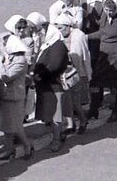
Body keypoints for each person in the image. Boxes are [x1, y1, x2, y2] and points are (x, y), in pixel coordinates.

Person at [0, 35, 33, 161]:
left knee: (16, 126)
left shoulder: (21, 60)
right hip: (5, 96)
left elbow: (6, 76)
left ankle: (27, 146)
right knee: (6, 125)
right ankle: (9, 149)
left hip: (15, 97)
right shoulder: (10, 58)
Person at [33, 23, 70, 152]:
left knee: (56, 115)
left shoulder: (57, 45)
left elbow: (55, 64)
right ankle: (59, 135)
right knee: (49, 114)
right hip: (46, 85)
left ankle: (56, 140)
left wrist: (40, 75)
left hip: (53, 86)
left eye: (42, 33)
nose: (40, 35)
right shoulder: (49, 44)